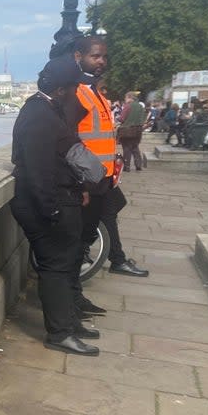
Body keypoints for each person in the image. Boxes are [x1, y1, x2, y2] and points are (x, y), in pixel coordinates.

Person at [10, 55, 100, 356]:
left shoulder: (49, 110)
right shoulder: (39, 115)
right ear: (62, 89)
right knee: (55, 269)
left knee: (68, 264)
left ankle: (70, 323)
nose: (77, 93)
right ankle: (60, 333)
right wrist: (52, 211)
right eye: (74, 87)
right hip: (47, 207)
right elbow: (36, 171)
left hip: (63, 199)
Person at [72, 36, 149, 280]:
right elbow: (69, 137)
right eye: (95, 56)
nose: (101, 61)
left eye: (104, 56)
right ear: (78, 57)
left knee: (112, 210)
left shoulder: (97, 94)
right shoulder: (78, 93)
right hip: (88, 174)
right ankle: (95, 256)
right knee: (93, 220)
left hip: (104, 173)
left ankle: (115, 257)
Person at [117, 91, 146, 171]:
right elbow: (143, 118)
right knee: (135, 147)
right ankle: (138, 165)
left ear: (130, 98)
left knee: (127, 148)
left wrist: (117, 118)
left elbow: (122, 118)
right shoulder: (141, 106)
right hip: (138, 130)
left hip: (127, 130)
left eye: (125, 98)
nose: (125, 99)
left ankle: (127, 166)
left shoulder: (128, 106)